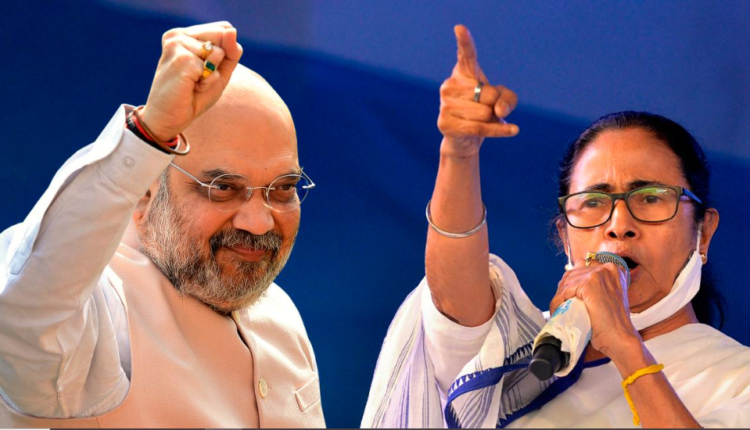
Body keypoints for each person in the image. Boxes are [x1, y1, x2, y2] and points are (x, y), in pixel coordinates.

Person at [362, 25, 750, 428]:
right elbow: (455, 304)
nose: (619, 225)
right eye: (593, 202)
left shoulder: (737, 378)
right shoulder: (524, 353)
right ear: (564, 237)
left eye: (650, 198)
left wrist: (624, 345)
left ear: (703, 233)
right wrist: (458, 153)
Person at [0, 22, 324, 428]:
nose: (259, 224)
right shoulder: (94, 315)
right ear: (145, 192)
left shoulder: (280, 314)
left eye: (284, 188)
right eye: (223, 188)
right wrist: (148, 132)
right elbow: (23, 317)